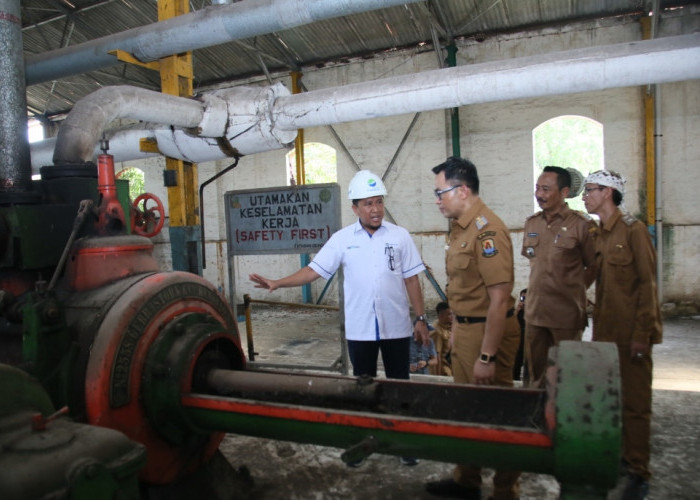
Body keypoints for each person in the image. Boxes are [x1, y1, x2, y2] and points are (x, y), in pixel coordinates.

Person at [249, 170, 430, 466]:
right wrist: (278, 282)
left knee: (400, 385)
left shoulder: (400, 237)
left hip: (396, 326)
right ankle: (363, 441)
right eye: (368, 203)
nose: (375, 209)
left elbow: (412, 279)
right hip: (360, 329)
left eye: (379, 202)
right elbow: (314, 271)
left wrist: (420, 318)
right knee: (362, 387)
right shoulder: (342, 239)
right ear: (355, 208)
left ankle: (402, 443)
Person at [425, 157, 521, 500]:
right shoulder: (460, 226)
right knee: (465, 409)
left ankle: (505, 491)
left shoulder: (487, 231)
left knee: (499, 414)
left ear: (462, 190)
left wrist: (487, 355)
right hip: (466, 330)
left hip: (487, 334)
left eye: (440, 193)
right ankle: (467, 480)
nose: (437, 199)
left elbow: (498, 301)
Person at [583, 170, 662, 500]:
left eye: (590, 190)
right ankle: (617, 458)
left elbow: (648, 284)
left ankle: (638, 471)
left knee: (635, 405)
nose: (584, 195)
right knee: (610, 402)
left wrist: (643, 333)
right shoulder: (598, 233)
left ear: (608, 192)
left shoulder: (634, 230)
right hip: (605, 334)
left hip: (632, 335)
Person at [521, 166, 597, 387]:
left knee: (567, 376)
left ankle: (564, 420)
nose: (540, 194)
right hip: (535, 314)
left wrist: (573, 291)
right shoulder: (532, 223)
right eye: (537, 188)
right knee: (536, 375)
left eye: (546, 189)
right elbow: (536, 263)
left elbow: (593, 266)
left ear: (564, 192)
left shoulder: (582, 225)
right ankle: (537, 417)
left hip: (566, 315)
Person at [430, 301, 453, 376]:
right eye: (449, 314)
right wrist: (438, 378)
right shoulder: (437, 331)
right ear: (441, 316)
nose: (452, 316)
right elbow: (437, 355)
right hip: (444, 369)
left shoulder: (449, 326)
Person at [513, 288, 527, 382]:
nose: (523, 301)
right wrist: (517, 311)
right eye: (522, 298)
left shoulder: (532, 313)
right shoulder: (518, 311)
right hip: (518, 341)